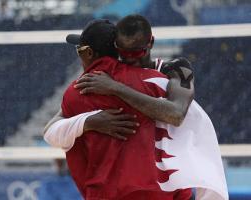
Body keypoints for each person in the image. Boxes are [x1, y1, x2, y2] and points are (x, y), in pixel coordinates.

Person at [44, 15, 228, 200]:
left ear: (150, 44)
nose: (129, 58)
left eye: (135, 52)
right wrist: (89, 121)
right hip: (164, 191)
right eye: (123, 52)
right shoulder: (155, 83)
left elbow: (176, 114)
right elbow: (52, 129)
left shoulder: (171, 72)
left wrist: (115, 89)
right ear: (116, 48)